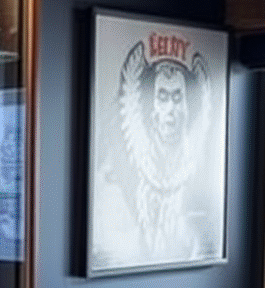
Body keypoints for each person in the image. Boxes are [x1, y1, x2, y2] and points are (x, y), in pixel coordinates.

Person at [91, 41, 216, 270]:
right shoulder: (117, 179)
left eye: (177, 98)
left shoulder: (199, 183)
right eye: (163, 97)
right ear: (151, 109)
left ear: (187, 108)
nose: (171, 110)